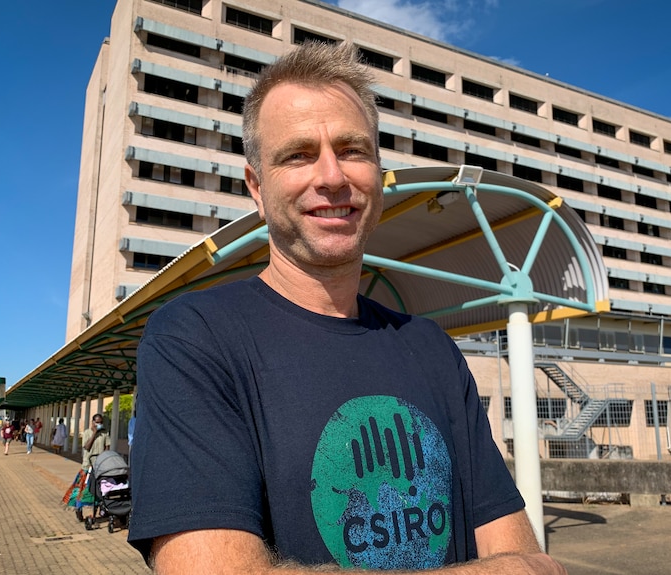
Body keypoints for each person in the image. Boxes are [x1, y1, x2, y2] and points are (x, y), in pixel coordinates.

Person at [128, 42, 565, 575]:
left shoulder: (432, 349)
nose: (332, 176)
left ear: (379, 177)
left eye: (353, 150)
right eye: (298, 154)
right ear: (257, 188)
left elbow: (522, 552)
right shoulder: (194, 339)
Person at [62, 414, 111, 522]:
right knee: (82, 489)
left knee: (98, 489)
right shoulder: (87, 432)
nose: (99, 424)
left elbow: (107, 447)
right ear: (92, 422)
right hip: (87, 465)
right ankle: (78, 509)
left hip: (99, 466)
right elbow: (87, 447)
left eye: (101, 422)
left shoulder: (105, 433)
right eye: (97, 422)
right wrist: (94, 433)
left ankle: (97, 510)